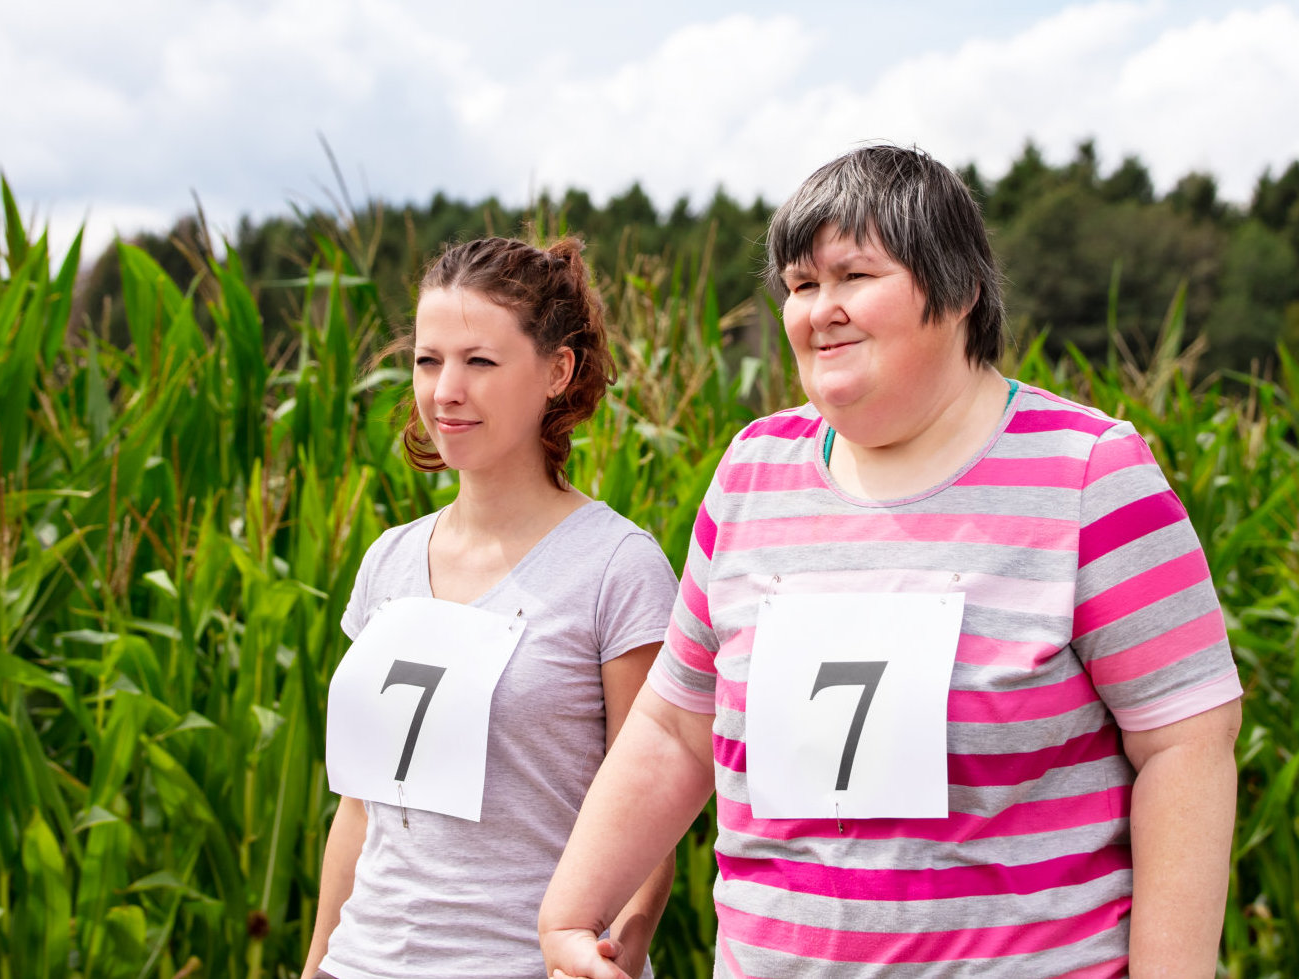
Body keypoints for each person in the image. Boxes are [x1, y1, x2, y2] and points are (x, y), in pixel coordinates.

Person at [539, 145, 1243, 978]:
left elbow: (1187, 747)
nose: (820, 310)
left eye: (854, 277)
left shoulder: (1088, 473)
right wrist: (569, 911)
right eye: (802, 286)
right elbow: (674, 728)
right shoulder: (753, 471)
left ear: (959, 290)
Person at [303, 237, 681, 979]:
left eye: (479, 361)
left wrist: (617, 954)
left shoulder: (617, 567)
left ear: (557, 371)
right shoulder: (388, 561)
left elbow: (650, 827)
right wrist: (314, 966)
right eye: (426, 359)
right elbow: (359, 814)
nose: (445, 389)